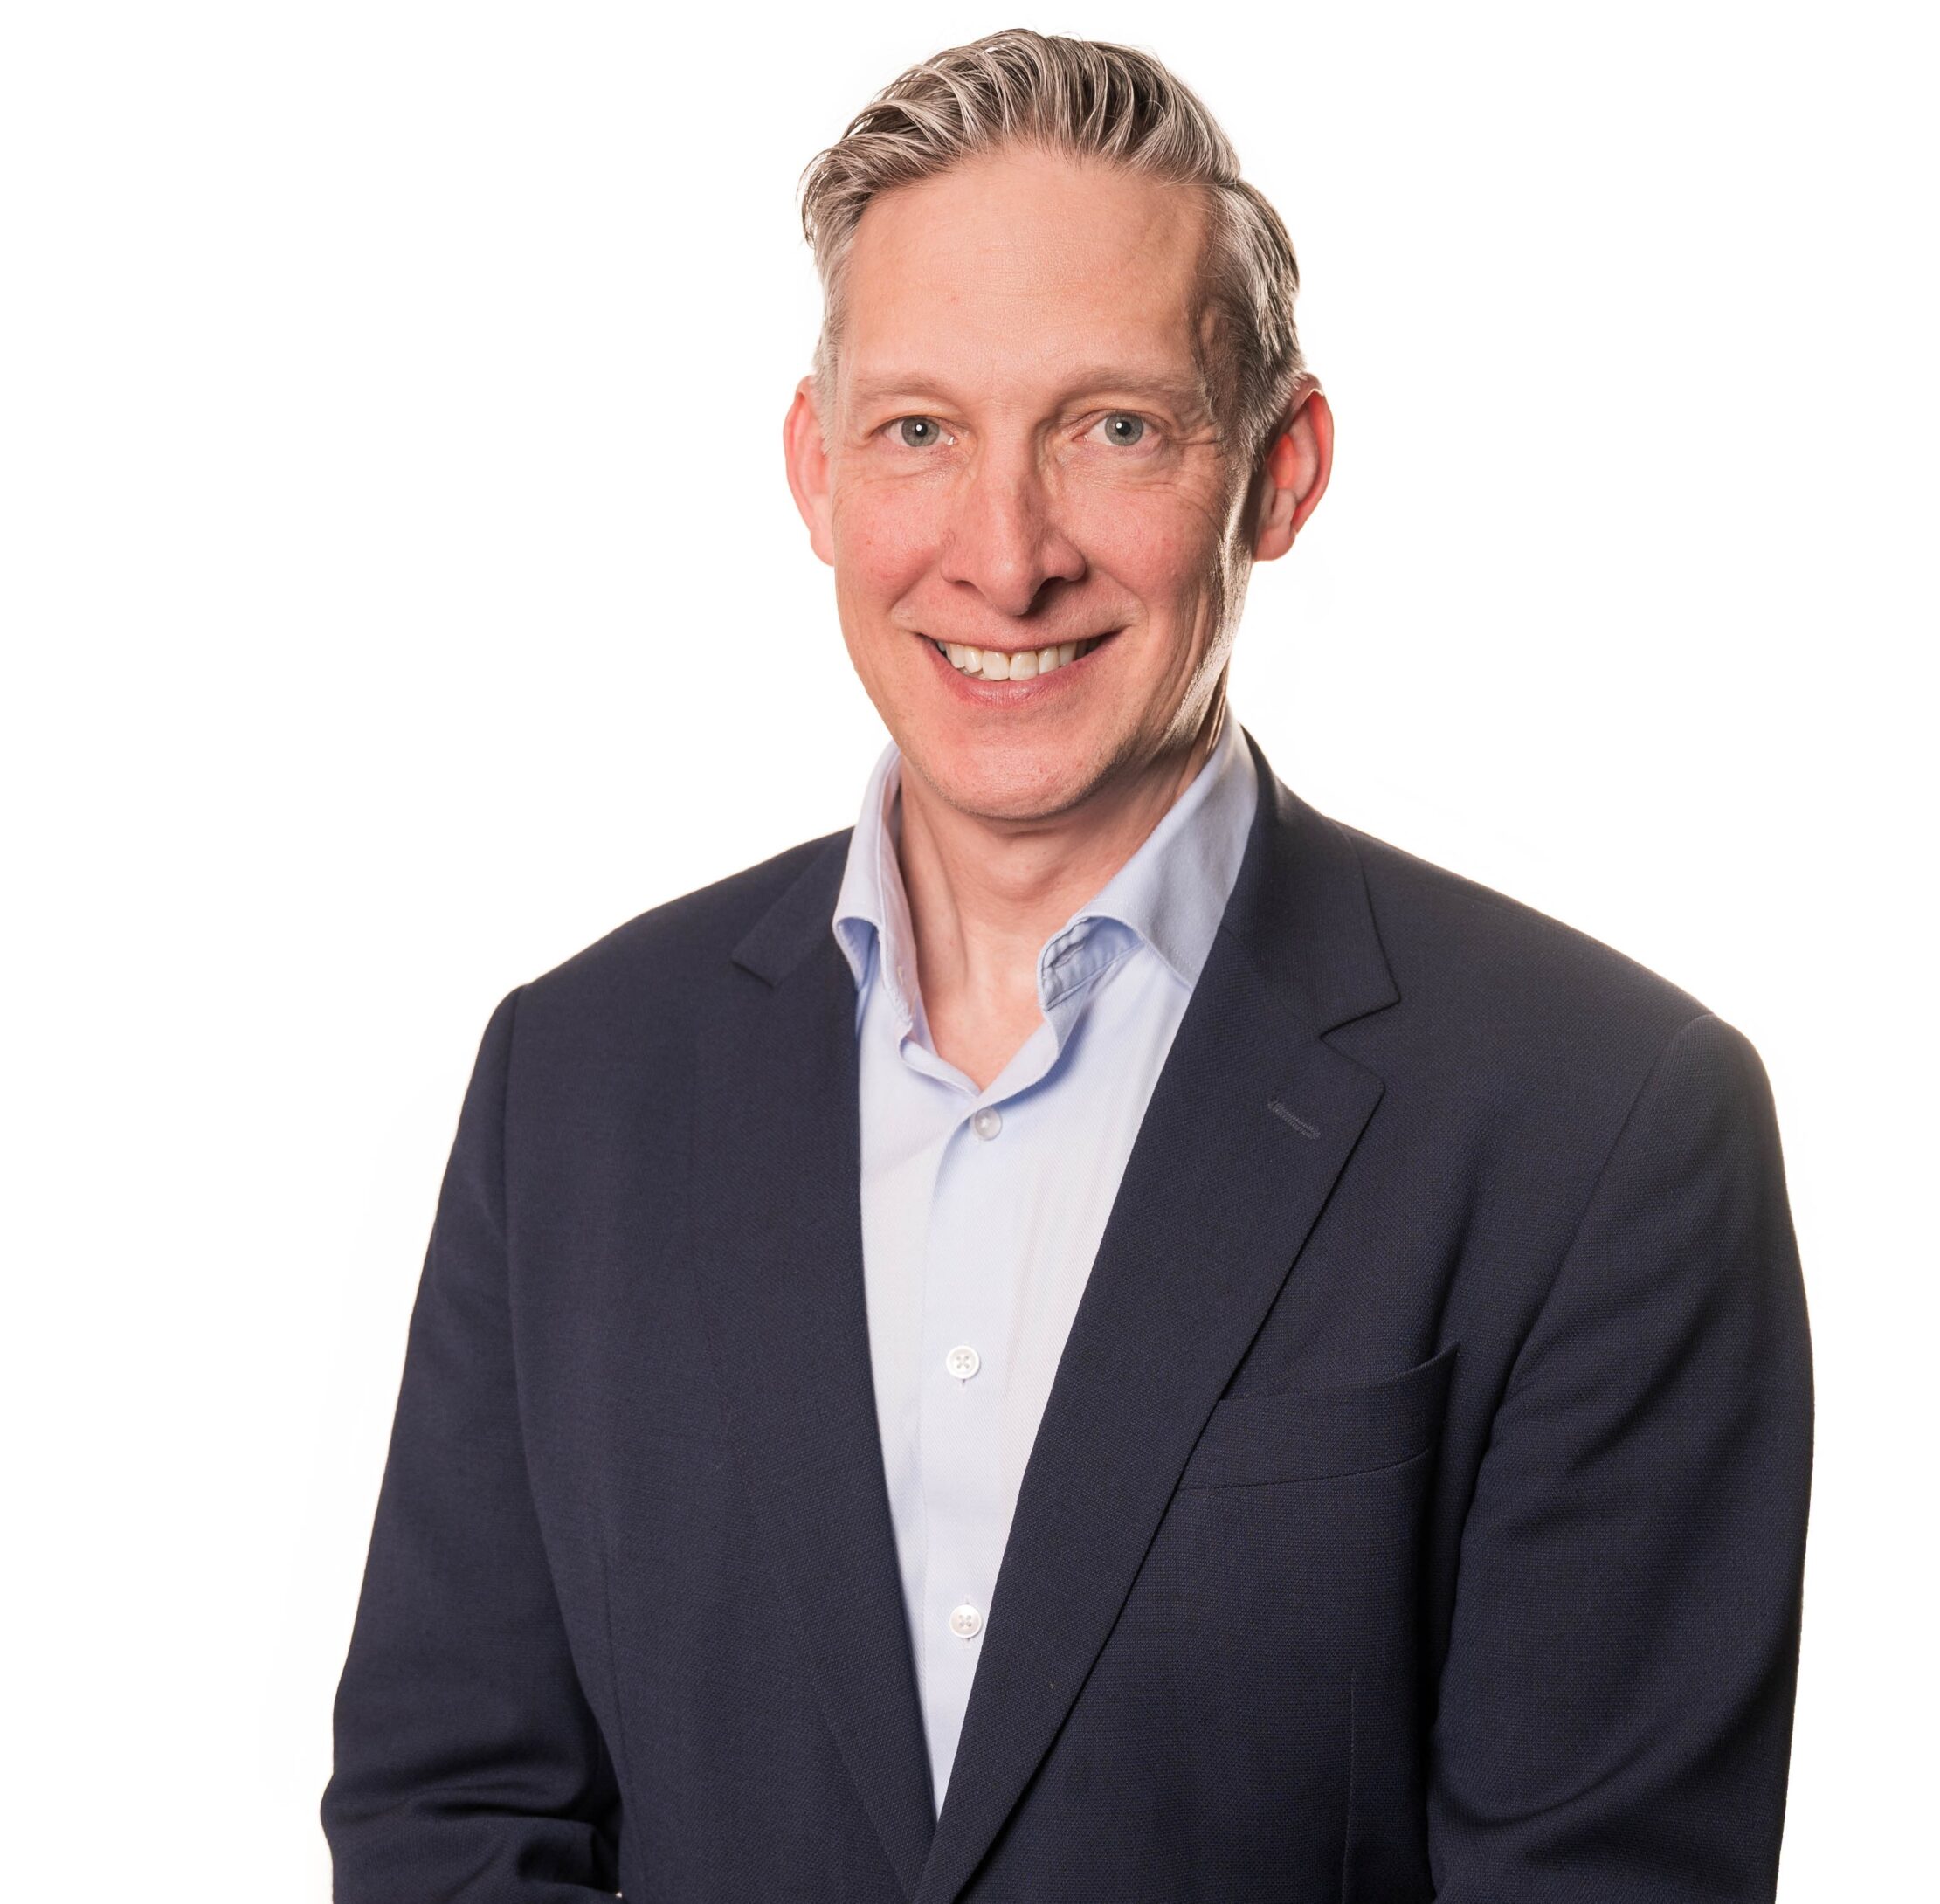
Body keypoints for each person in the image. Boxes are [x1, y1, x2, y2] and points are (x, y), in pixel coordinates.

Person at [321, 27, 1813, 1903]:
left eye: (1112, 427)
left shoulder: (1597, 1131)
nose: (1001, 554)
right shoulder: (577, 1086)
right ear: (814, 471)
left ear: (1278, 470)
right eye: (919, 431)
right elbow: (452, 1818)